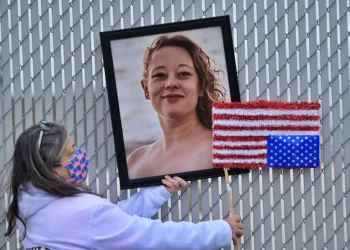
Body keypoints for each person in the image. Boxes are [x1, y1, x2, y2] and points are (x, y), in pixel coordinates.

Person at [4, 121, 244, 250]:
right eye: (71, 152)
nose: (80, 155)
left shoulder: (30, 202)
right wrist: (219, 231)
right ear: (50, 167)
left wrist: (158, 192)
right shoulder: (82, 211)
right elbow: (153, 237)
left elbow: (110, 222)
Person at [127, 34, 228, 179]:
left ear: (201, 86)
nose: (171, 83)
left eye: (183, 74)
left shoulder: (223, 149)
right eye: (160, 75)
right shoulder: (135, 162)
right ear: (146, 89)